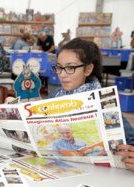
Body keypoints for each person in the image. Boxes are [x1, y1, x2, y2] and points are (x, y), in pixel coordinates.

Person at [47, 38, 134, 171]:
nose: (62, 74)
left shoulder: (103, 101)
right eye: (59, 67)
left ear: (88, 69)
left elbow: (130, 140)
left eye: (70, 67)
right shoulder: (56, 95)